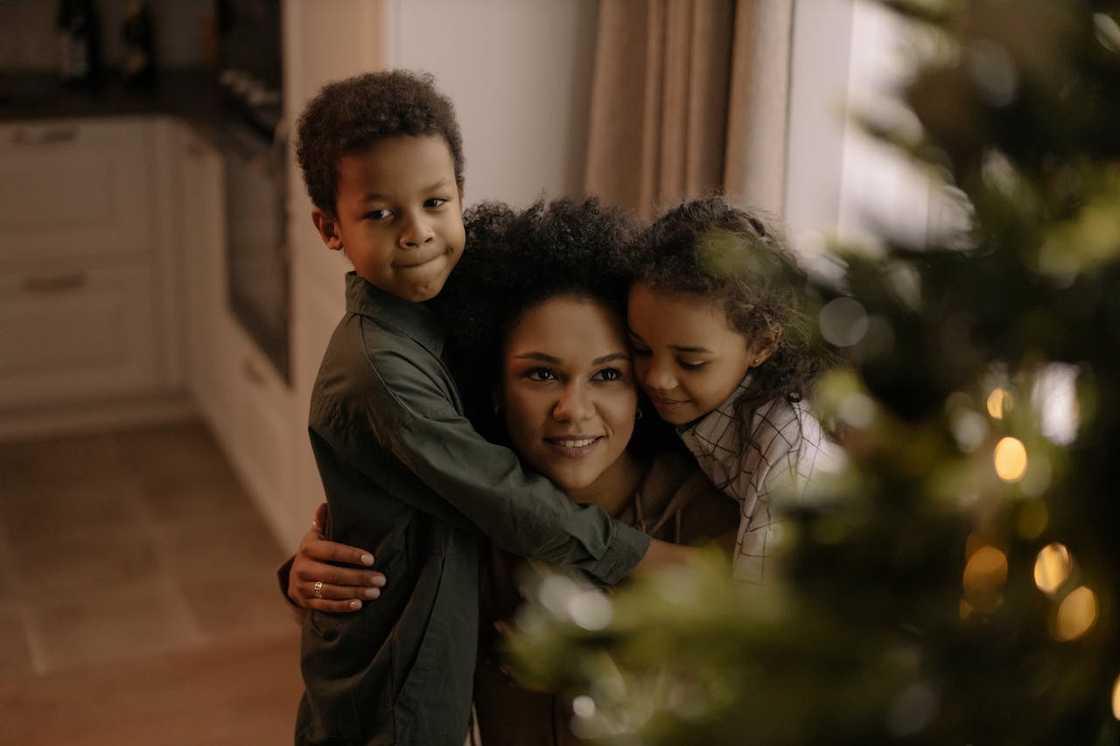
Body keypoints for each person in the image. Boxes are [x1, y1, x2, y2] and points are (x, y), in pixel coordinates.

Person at [291, 71, 688, 746]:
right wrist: (303, 572)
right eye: (381, 213)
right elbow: (496, 496)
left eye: (435, 202)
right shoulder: (386, 366)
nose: (417, 234)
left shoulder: (443, 313)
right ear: (330, 228)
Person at [625, 196, 840, 583]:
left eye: (691, 362)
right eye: (640, 349)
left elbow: (759, 601)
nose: (657, 378)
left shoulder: (788, 449)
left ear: (762, 345)